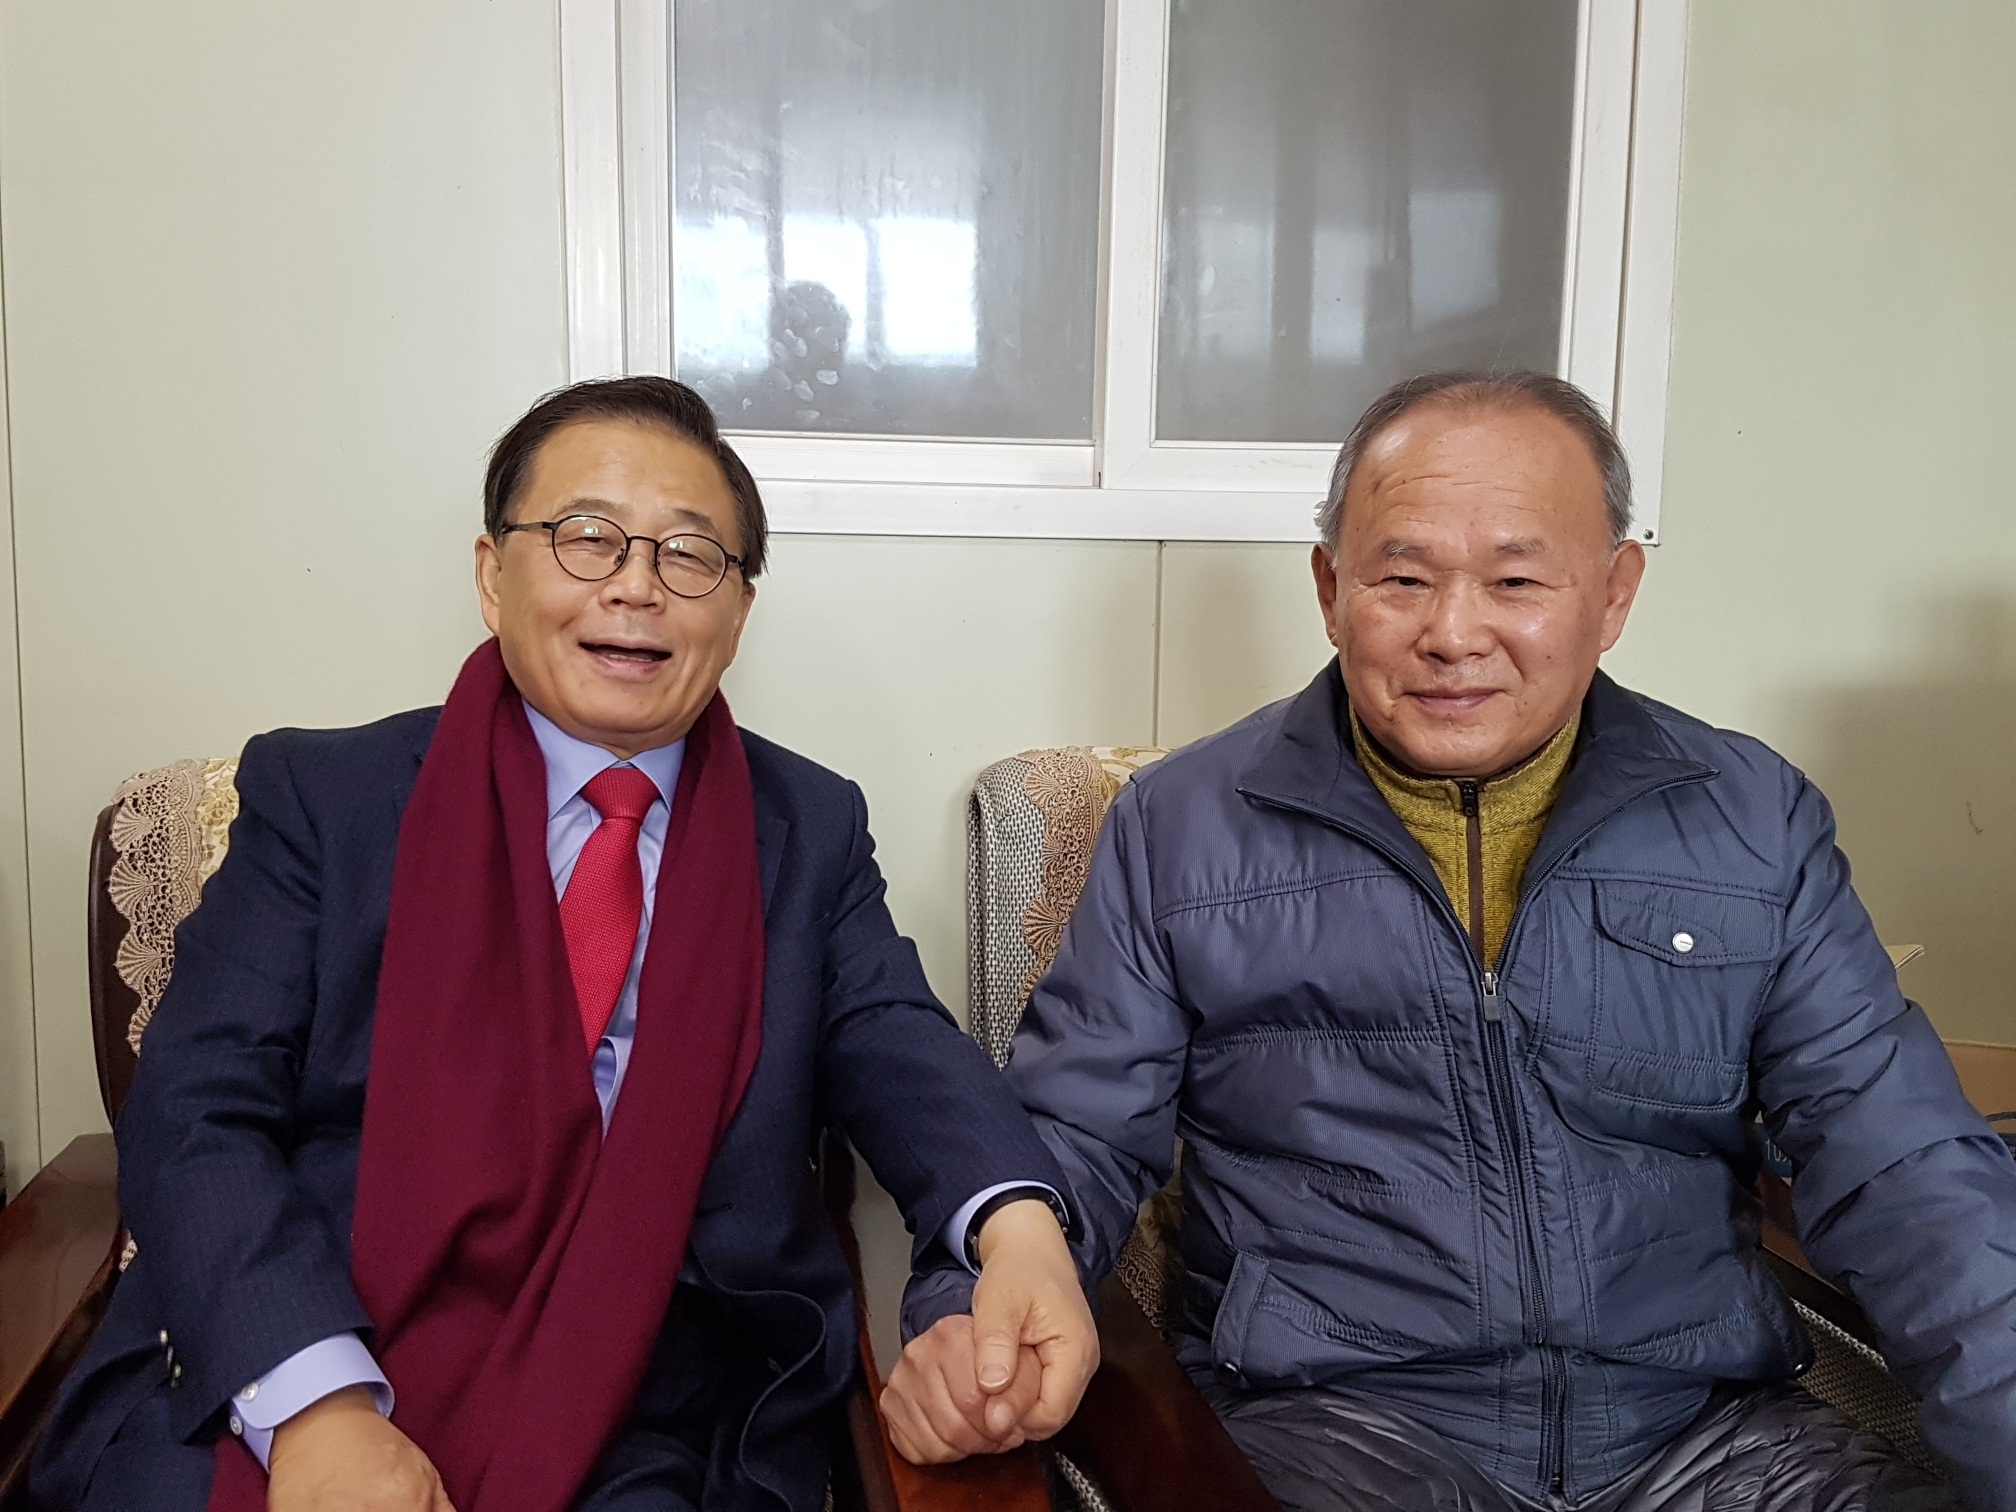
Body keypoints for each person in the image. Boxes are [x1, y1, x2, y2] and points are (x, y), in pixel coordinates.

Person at [897, 371, 2016, 1509]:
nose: (1453, 634)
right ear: (1331, 589)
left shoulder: (1750, 819)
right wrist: (966, 1323)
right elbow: (1069, 1138)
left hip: (1708, 1435)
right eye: (1404, 578)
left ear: (1614, 594)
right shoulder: (1180, 828)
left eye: (1517, 580)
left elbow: (1905, 1164)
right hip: (1339, 1430)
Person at [30, 376, 1096, 1512]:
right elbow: (195, 1109)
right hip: (306, 1329)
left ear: (738, 611)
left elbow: (898, 1042)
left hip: (653, 1387)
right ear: (494, 575)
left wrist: (1019, 1226)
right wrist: (318, 1409)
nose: (636, 585)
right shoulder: (324, 798)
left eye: (689, 554)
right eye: (587, 537)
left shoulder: (808, 827)